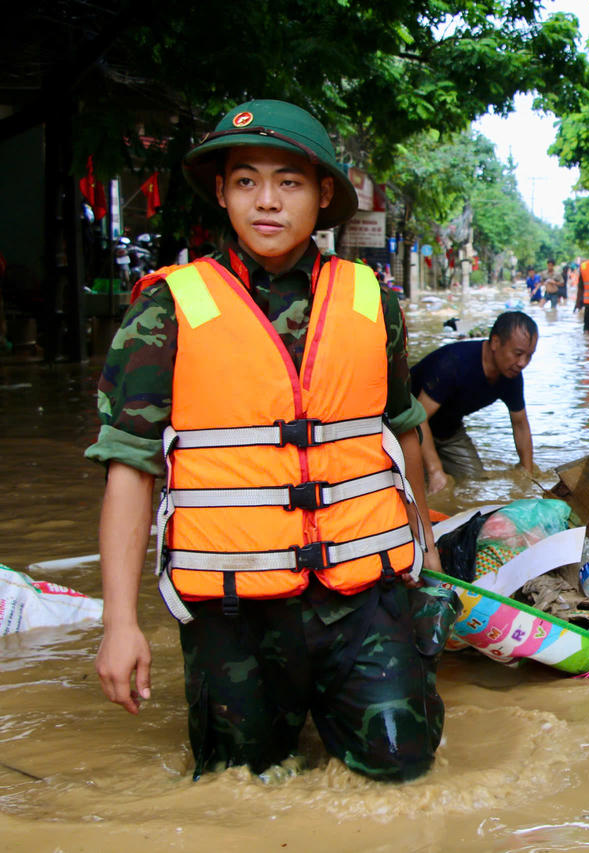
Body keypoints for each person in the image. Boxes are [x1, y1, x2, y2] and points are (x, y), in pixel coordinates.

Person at [86, 99, 455, 783]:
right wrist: (119, 622)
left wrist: (426, 559)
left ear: (322, 195)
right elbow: (129, 470)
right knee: (240, 786)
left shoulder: (374, 299)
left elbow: (403, 429)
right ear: (223, 193)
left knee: (403, 768)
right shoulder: (166, 306)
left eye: (288, 182)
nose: (267, 201)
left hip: (364, 595)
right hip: (232, 608)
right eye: (246, 180)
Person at [411, 312, 537, 493]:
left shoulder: (511, 375)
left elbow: (520, 424)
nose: (522, 363)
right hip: (407, 427)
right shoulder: (453, 364)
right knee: (417, 486)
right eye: (517, 354)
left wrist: (527, 474)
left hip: (449, 431)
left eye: (529, 356)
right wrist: (435, 471)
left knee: (476, 484)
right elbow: (417, 418)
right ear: (495, 342)